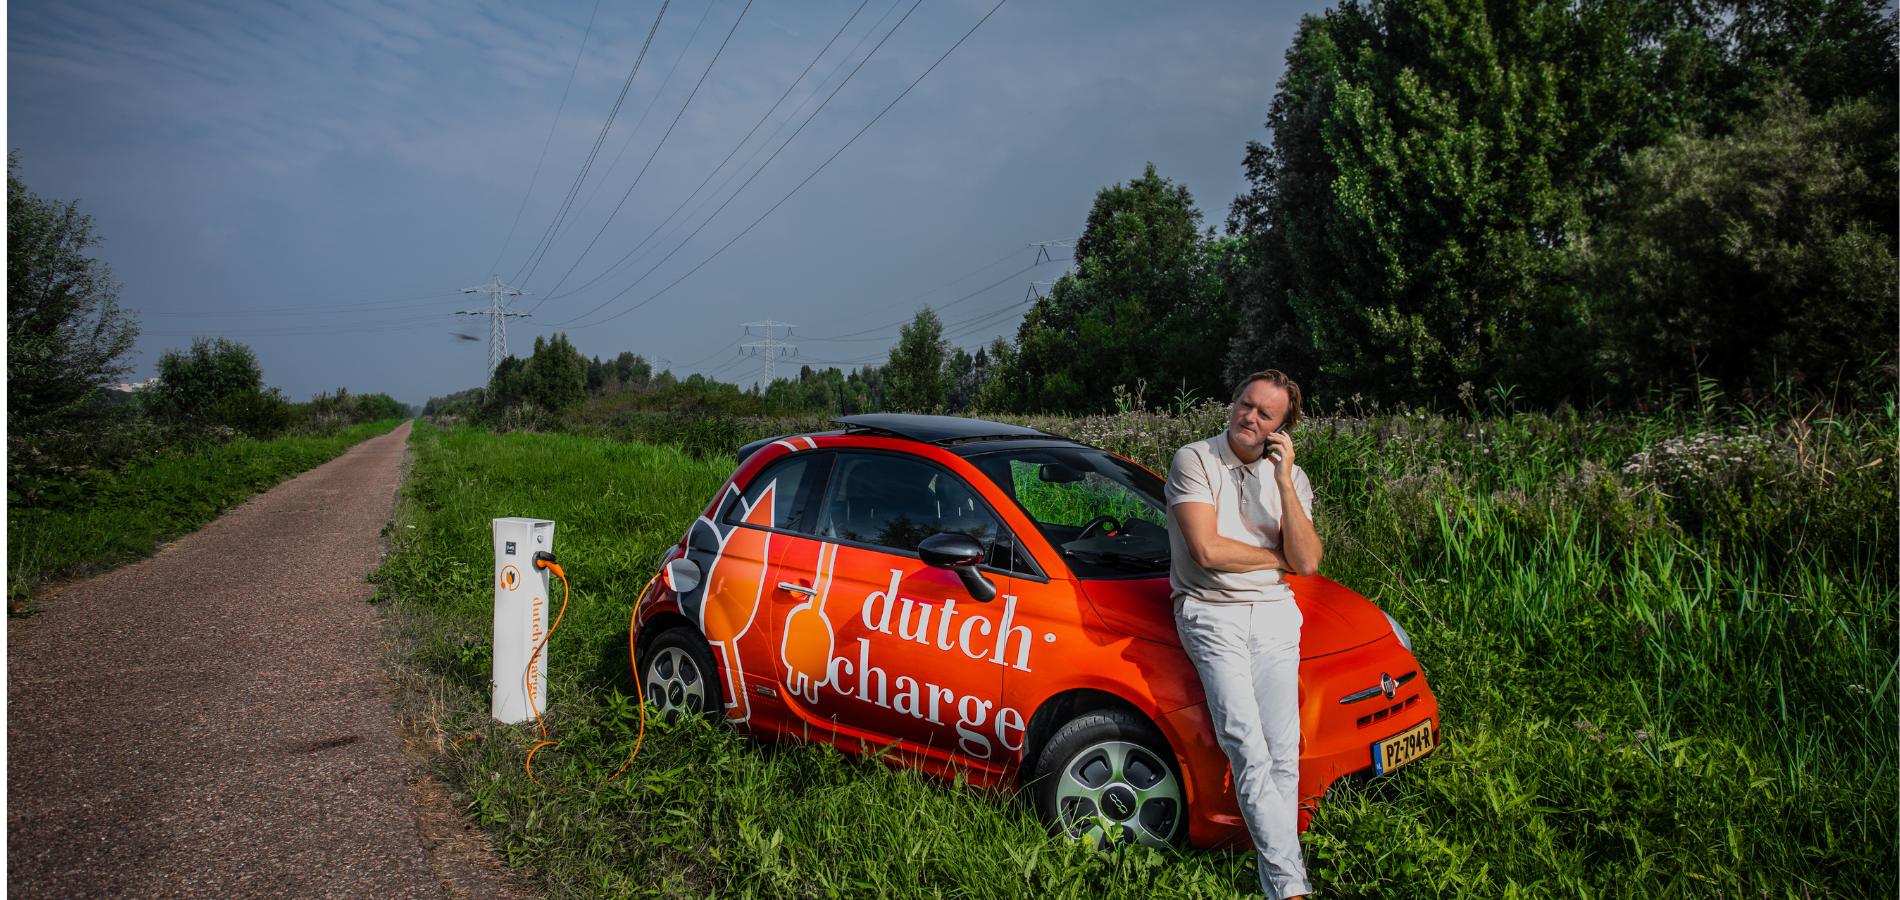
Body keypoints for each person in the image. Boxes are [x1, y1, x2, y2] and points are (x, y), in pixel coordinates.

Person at [1166, 369, 1321, 900]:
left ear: (1282, 428)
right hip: (1211, 614)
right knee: (1246, 747)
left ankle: (1282, 878)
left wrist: (1282, 481)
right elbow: (1207, 552)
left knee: (1282, 755)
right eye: (1244, 404)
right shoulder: (1195, 459)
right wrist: (1277, 558)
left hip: (1276, 615)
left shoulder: (1291, 480)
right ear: (1232, 403)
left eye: (1265, 414)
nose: (1249, 418)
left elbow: (1310, 561)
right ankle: (1291, 887)